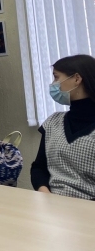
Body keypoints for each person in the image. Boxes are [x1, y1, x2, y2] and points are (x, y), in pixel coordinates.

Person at [30, 54, 95, 200]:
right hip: (52, 203)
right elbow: (39, 167)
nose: (53, 84)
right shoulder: (53, 122)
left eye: (56, 77)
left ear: (77, 79)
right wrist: (46, 195)